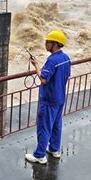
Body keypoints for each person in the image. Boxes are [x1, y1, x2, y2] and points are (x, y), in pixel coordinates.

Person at [25, 30, 71, 164]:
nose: (45, 44)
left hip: (49, 99)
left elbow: (44, 79)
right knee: (56, 125)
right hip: (60, 97)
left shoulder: (52, 60)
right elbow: (66, 75)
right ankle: (54, 149)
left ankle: (39, 155)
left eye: (48, 42)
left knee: (44, 127)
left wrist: (36, 65)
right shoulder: (66, 58)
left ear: (55, 44)